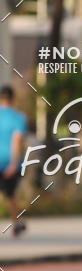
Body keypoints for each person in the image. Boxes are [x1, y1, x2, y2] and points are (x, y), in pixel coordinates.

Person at [0, 85, 27, 237]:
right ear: (12, 99)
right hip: (7, 160)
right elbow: (16, 140)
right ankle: (16, 224)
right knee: (11, 194)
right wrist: (13, 163)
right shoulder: (18, 117)